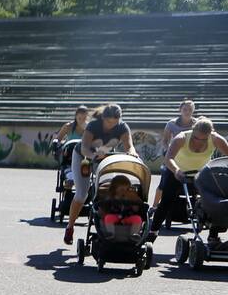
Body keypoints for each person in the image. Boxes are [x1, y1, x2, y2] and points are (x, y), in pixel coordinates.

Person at [64, 103, 137, 245]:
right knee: (81, 194)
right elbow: (84, 147)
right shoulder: (93, 126)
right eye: (109, 122)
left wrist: (132, 153)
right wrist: (93, 156)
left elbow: (129, 146)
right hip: (83, 157)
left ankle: (107, 225)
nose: (112, 125)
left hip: (105, 158)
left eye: (115, 122)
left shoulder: (122, 127)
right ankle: (70, 226)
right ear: (104, 118)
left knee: (109, 190)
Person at [149, 117, 228, 239]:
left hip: (201, 175)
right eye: (196, 138)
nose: (200, 142)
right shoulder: (181, 138)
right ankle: (153, 231)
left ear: (210, 134)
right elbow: (168, 158)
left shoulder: (216, 139)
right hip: (177, 172)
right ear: (193, 130)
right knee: (166, 201)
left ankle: (213, 236)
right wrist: (177, 171)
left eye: (204, 139)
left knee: (216, 202)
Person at [152, 99, 197, 208]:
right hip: (174, 157)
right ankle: (154, 207)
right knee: (163, 183)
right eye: (185, 109)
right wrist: (167, 151)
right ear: (180, 110)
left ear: (193, 111)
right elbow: (165, 141)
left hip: (191, 158)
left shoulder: (197, 124)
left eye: (190, 109)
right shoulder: (171, 124)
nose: (187, 112)